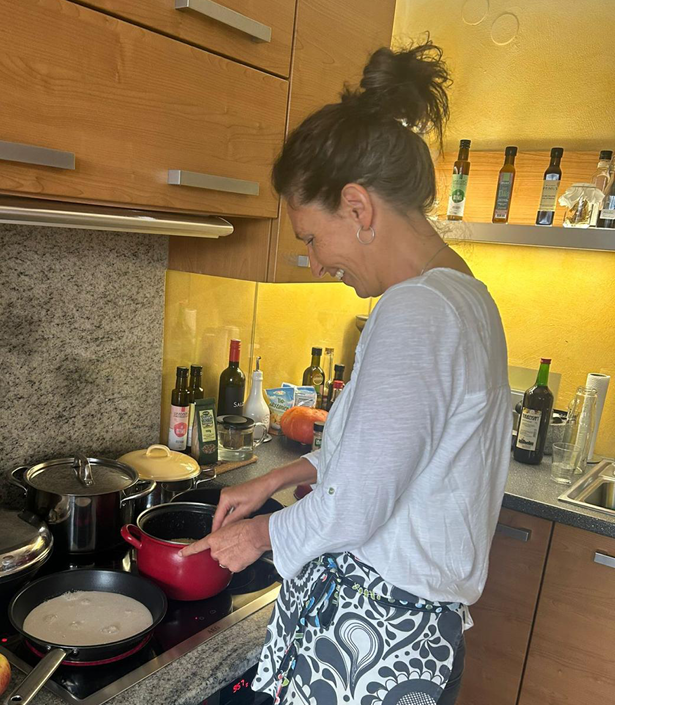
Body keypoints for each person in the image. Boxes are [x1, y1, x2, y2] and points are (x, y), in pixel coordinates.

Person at [180, 40, 512, 705]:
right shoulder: (464, 296)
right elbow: (385, 457)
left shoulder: (416, 311)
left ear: (358, 208)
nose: (315, 260)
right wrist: (279, 476)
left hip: (380, 636)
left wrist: (260, 535)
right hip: (406, 634)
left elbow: (357, 503)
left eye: (310, 236)